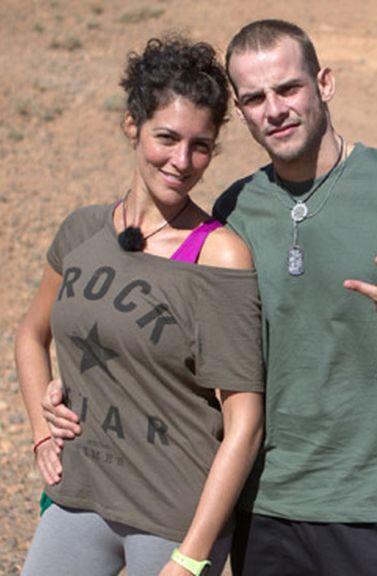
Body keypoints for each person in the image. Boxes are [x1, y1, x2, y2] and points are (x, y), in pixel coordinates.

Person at [46, 19, 377, 575]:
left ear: (324, 84)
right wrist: (81, 386)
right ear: (240, 113)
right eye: (254, 98)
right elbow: (186, 352)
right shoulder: (233, 213)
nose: (275, 109)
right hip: (264, 508)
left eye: (288, 88)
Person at [15, 35, 264, 576]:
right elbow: (31, 335)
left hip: (173, 519)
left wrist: (191, 557)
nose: (182, 161)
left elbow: (244, 422)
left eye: (200, 144)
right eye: (167, 137)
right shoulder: (82, 231)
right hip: (80, 495)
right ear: (133, 125)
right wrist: (41, 428)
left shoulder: (219, 254)